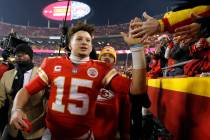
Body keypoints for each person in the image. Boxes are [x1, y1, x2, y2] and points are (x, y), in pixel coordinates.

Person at [9, 22, 147, 140]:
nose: (84, 42)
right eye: (79, 39)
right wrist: (17, 109)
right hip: (51, 135)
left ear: (92, 47)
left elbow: (137, 89)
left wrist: (137, 49)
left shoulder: (101, 69)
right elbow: (26, 90)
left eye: (88, 40)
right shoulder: (51, 63)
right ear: (69, 45)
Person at [0, 43, 46, 140]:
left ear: (31, 57)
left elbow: (47, 100)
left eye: (24, 54)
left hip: (34, 129)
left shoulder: (42, 74)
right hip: (12, 127)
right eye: (17, 54)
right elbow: (1, 99)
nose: (19, 56)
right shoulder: (7, 75)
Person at [93, 45, 130, 140]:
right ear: (99, 58)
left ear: (115, 61)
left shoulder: (121, 81)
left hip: (109, 134)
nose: (106, 57)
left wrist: (125, 132)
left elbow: (125, 110)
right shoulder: (89, 76)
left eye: (110, 56)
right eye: (104, 55)